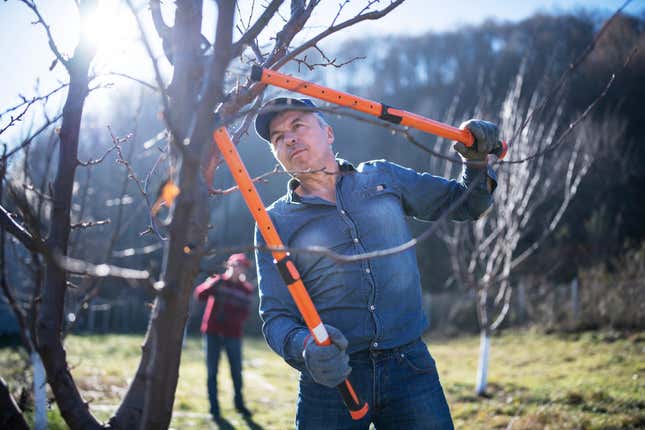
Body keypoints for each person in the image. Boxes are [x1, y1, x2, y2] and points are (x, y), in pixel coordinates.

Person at [253, 97, 498, 429]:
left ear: (328, 132)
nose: (289, 138)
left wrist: (476, 161)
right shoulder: (273, 222)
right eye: (278, 138)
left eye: (297, 125)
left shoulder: (383, 177)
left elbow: (464, 204)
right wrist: (306, 347)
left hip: (409, 367)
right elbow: (276, 317)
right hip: (333, 380)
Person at [194, 253, 255, 420]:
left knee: (236, 371)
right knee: (212, 371)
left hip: (232, 335)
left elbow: (245, 314)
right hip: (212, 332)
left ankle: (239, 405)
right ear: (229, 265)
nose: (238, 269)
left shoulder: (246, 290)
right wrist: (211, 283)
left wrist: (229, 321)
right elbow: (199, 295)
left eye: (241, 267)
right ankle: (214, 408)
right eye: (235, 265)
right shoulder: (218, 281)